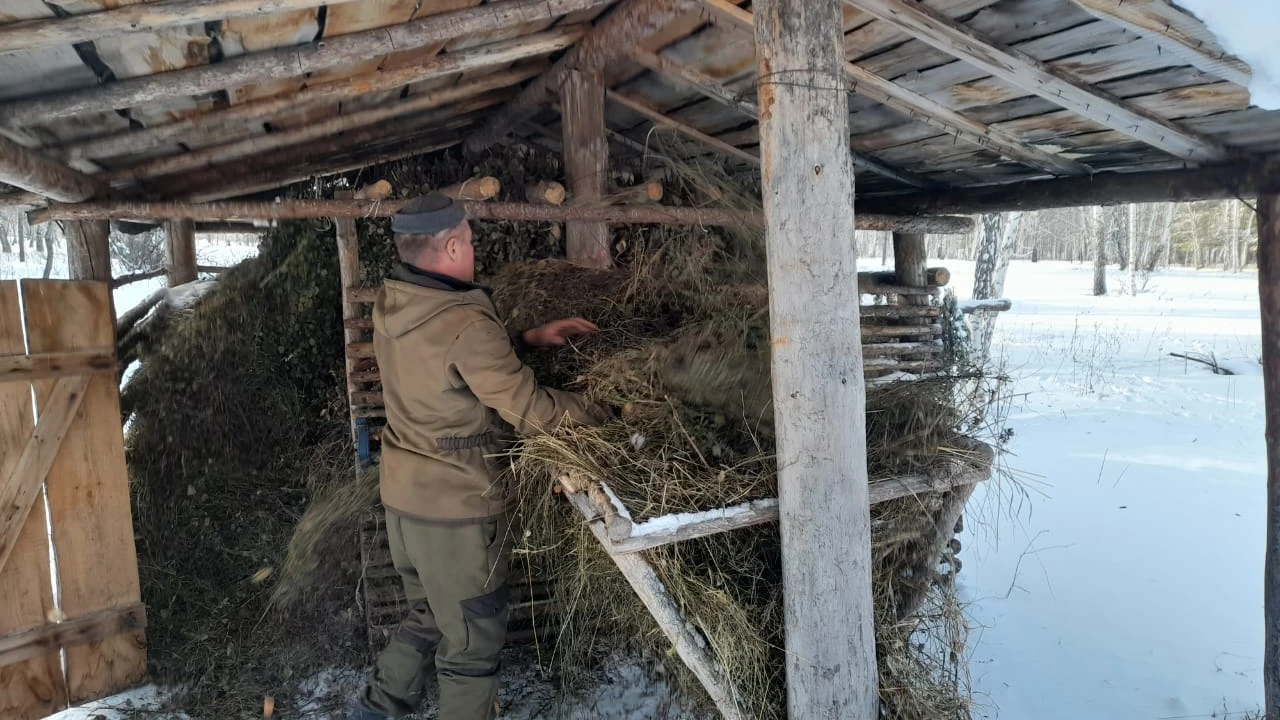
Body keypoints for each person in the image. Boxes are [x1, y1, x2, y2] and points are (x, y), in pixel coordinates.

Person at [349, 192, 609, 720]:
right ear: (448, 246)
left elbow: (442, 363)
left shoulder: (396, 302)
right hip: (457, 513)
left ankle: (375, 712)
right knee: (471, 648)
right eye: (468, 240)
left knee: (428, 615)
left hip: (405, 504)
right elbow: (532, 409)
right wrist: (609, 413)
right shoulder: (466, 325)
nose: (473, 247)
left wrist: (524, 339)